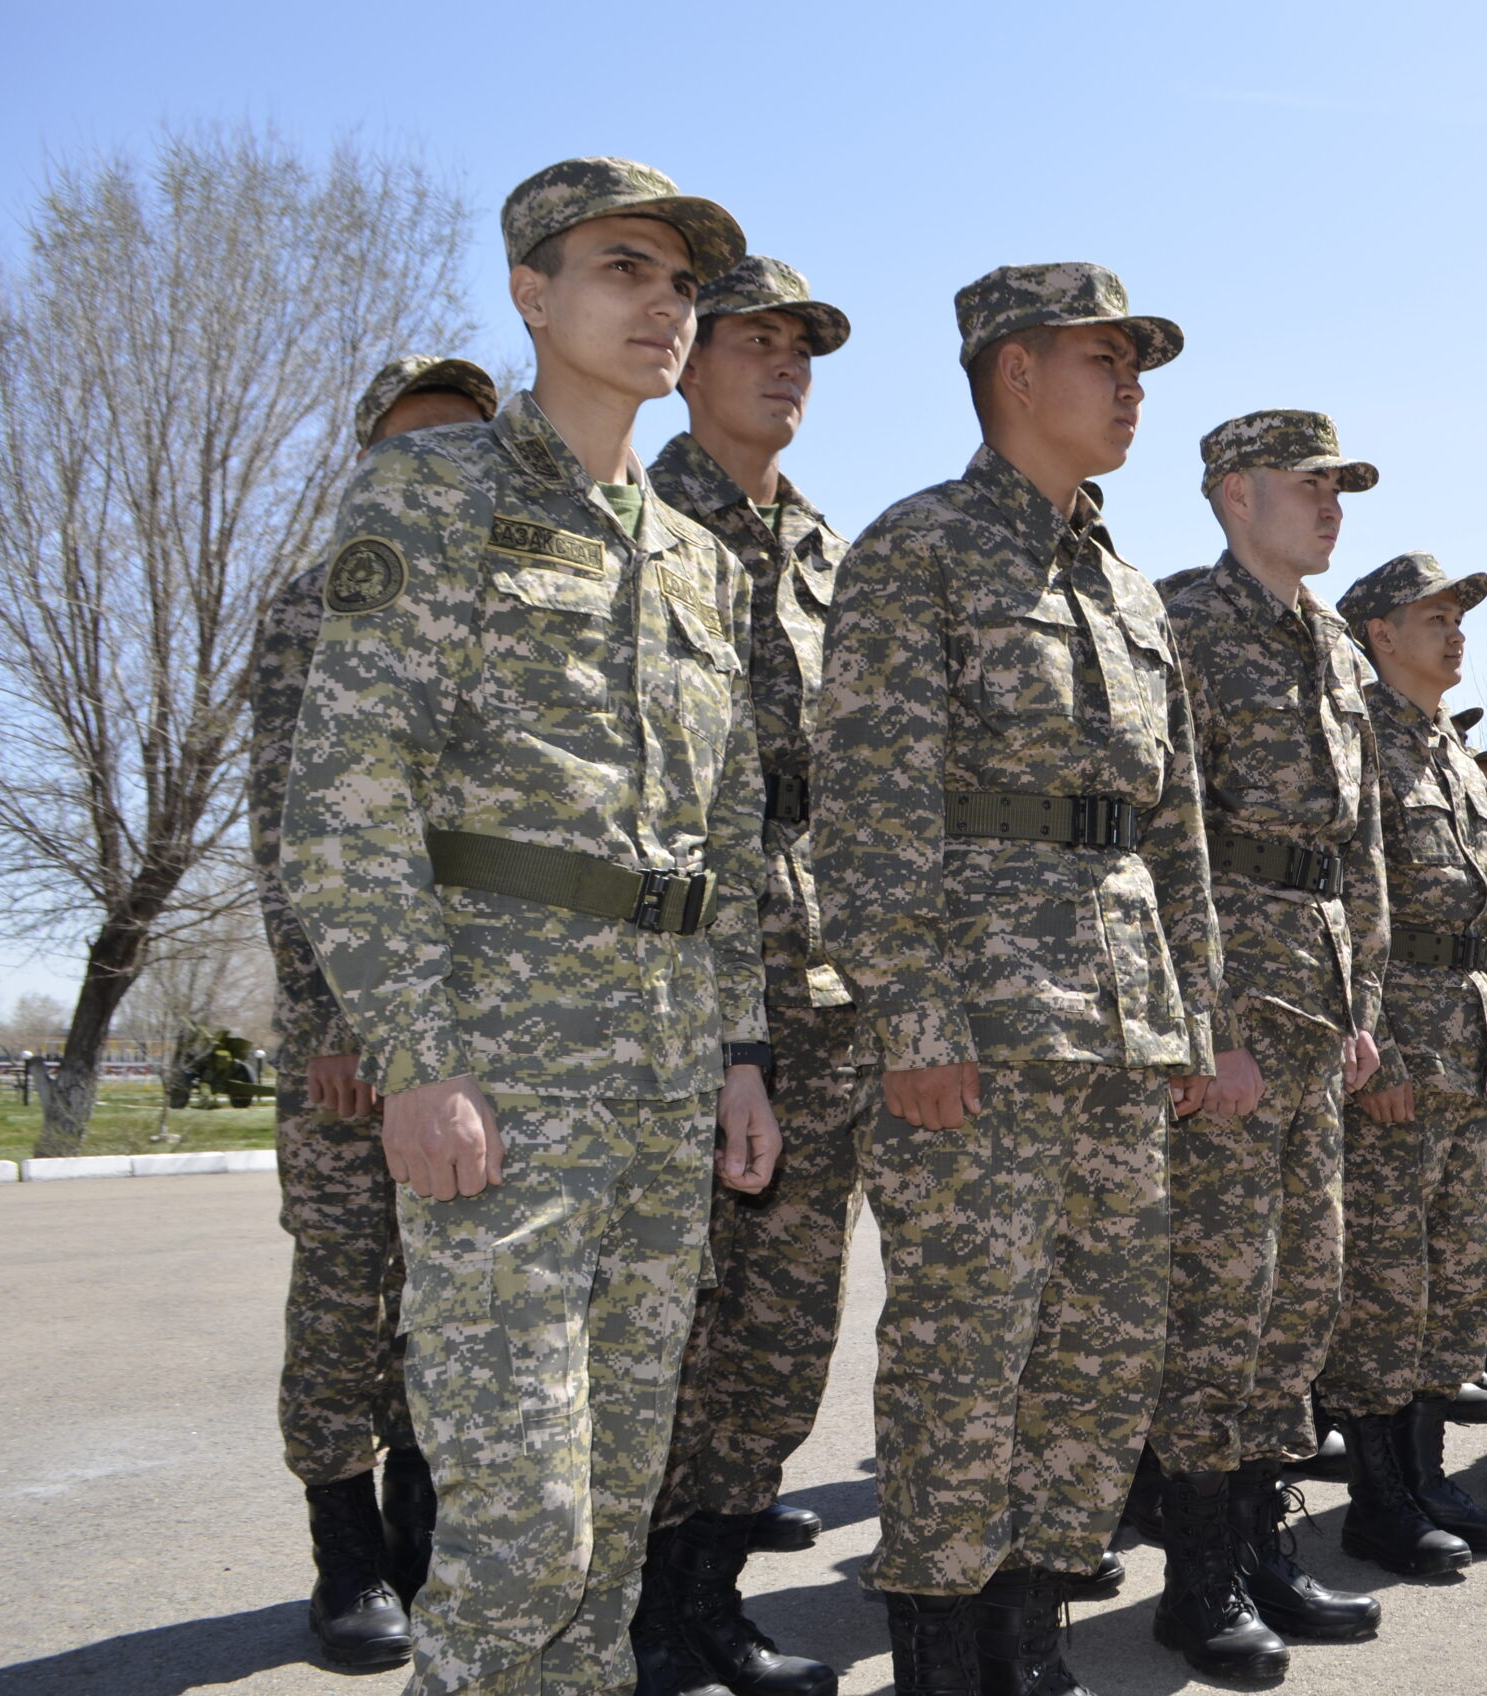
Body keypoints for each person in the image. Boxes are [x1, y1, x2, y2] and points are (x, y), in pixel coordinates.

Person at [280, 157, 780, 1696]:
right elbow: (348, 795)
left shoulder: (698, 557)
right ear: (530, 294)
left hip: (660, 1073)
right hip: (502, 1080)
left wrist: (740, 1052)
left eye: (682, 282)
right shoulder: (431, 498)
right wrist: (417, 1055)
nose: (664, 303)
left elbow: (729, 830)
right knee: (518, 1536)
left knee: (612, 1525)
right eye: (624, 268)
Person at [810, 262, 1237, 1694]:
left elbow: (1171, 830)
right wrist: (915, 1021)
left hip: (1121, 1029)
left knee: (1101, 1354)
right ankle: (943, 1655)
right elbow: (867, 811)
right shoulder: (918, 551)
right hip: (983, 1032)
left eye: (1140, 366)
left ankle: (1032, 1635)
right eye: (1105, 359)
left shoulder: (1125, 586)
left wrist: (1194, 1020)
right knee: (963, 1356)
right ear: (1011, 372)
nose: (1131, 389)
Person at [638, 255, 863, 1696]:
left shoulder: (826, 551)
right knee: (670, 1315)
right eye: (755, 342)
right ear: (690, 355)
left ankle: (709, 1595)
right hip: (674, 968)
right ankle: (636, 1617)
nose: (784, 368)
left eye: (802, 349)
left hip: (825, 977)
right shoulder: (640, 522)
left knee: (784, 1322)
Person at [252, 352, 497, 1667]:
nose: (438, 462)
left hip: (493, 1023)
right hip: (357, 1027)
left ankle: (424, 1527)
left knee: (457, 1291)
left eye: (464, 440)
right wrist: (342, 1020)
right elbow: (294, 832)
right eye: (413, 442)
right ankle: (345, 1556)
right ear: (368, 461)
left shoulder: (517, 615)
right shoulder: (318, 609)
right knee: (349, 1292)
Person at [1150, 410, 1394, 1642]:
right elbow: (1165, 834)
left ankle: (1260, 1548)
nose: (1331, 504)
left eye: (1340, 486)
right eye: (1309, 484)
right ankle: (1198, 1587)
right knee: (1218, 1297)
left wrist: (1363, 1010)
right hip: (1238, 1004)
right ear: (1234, 492)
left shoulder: (1339, 651)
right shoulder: (1181, 622)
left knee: (1299, 1294)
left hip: (1317, 1009)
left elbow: (1360, 854)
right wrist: (1207, 1024)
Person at [1321, 552, 1487, 1569]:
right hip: (1401, 1047)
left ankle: (1427, 1475)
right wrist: (1384, 1049)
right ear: (1378, 633)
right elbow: (1357, 909)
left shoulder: (1448, 751)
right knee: (1386, 1288)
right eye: (1431, 616)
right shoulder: (1358, 739)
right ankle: (1378, 1500)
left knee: (1455, 1283)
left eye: (1459, 617)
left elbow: (1484, 923)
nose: (1455, 633)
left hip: (1465, 1047)